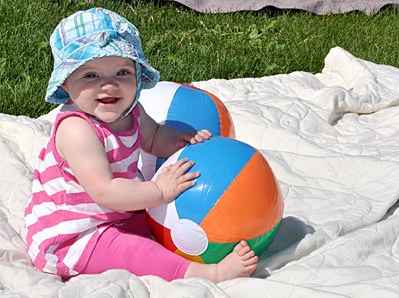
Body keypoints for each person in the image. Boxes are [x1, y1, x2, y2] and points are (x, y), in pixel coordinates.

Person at [24, 7, 258, 282]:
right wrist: (159, 190)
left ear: (137, 76)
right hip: (74, 234)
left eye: (122, 72)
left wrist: (178, 141)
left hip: (116, 213)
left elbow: (154, 138)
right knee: (136, 251)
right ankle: (206, 273)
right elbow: (105, 191)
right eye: (91, 76)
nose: (109, 85)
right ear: (66, 83)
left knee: (161, 222)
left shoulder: (133, 112)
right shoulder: (77, 130)